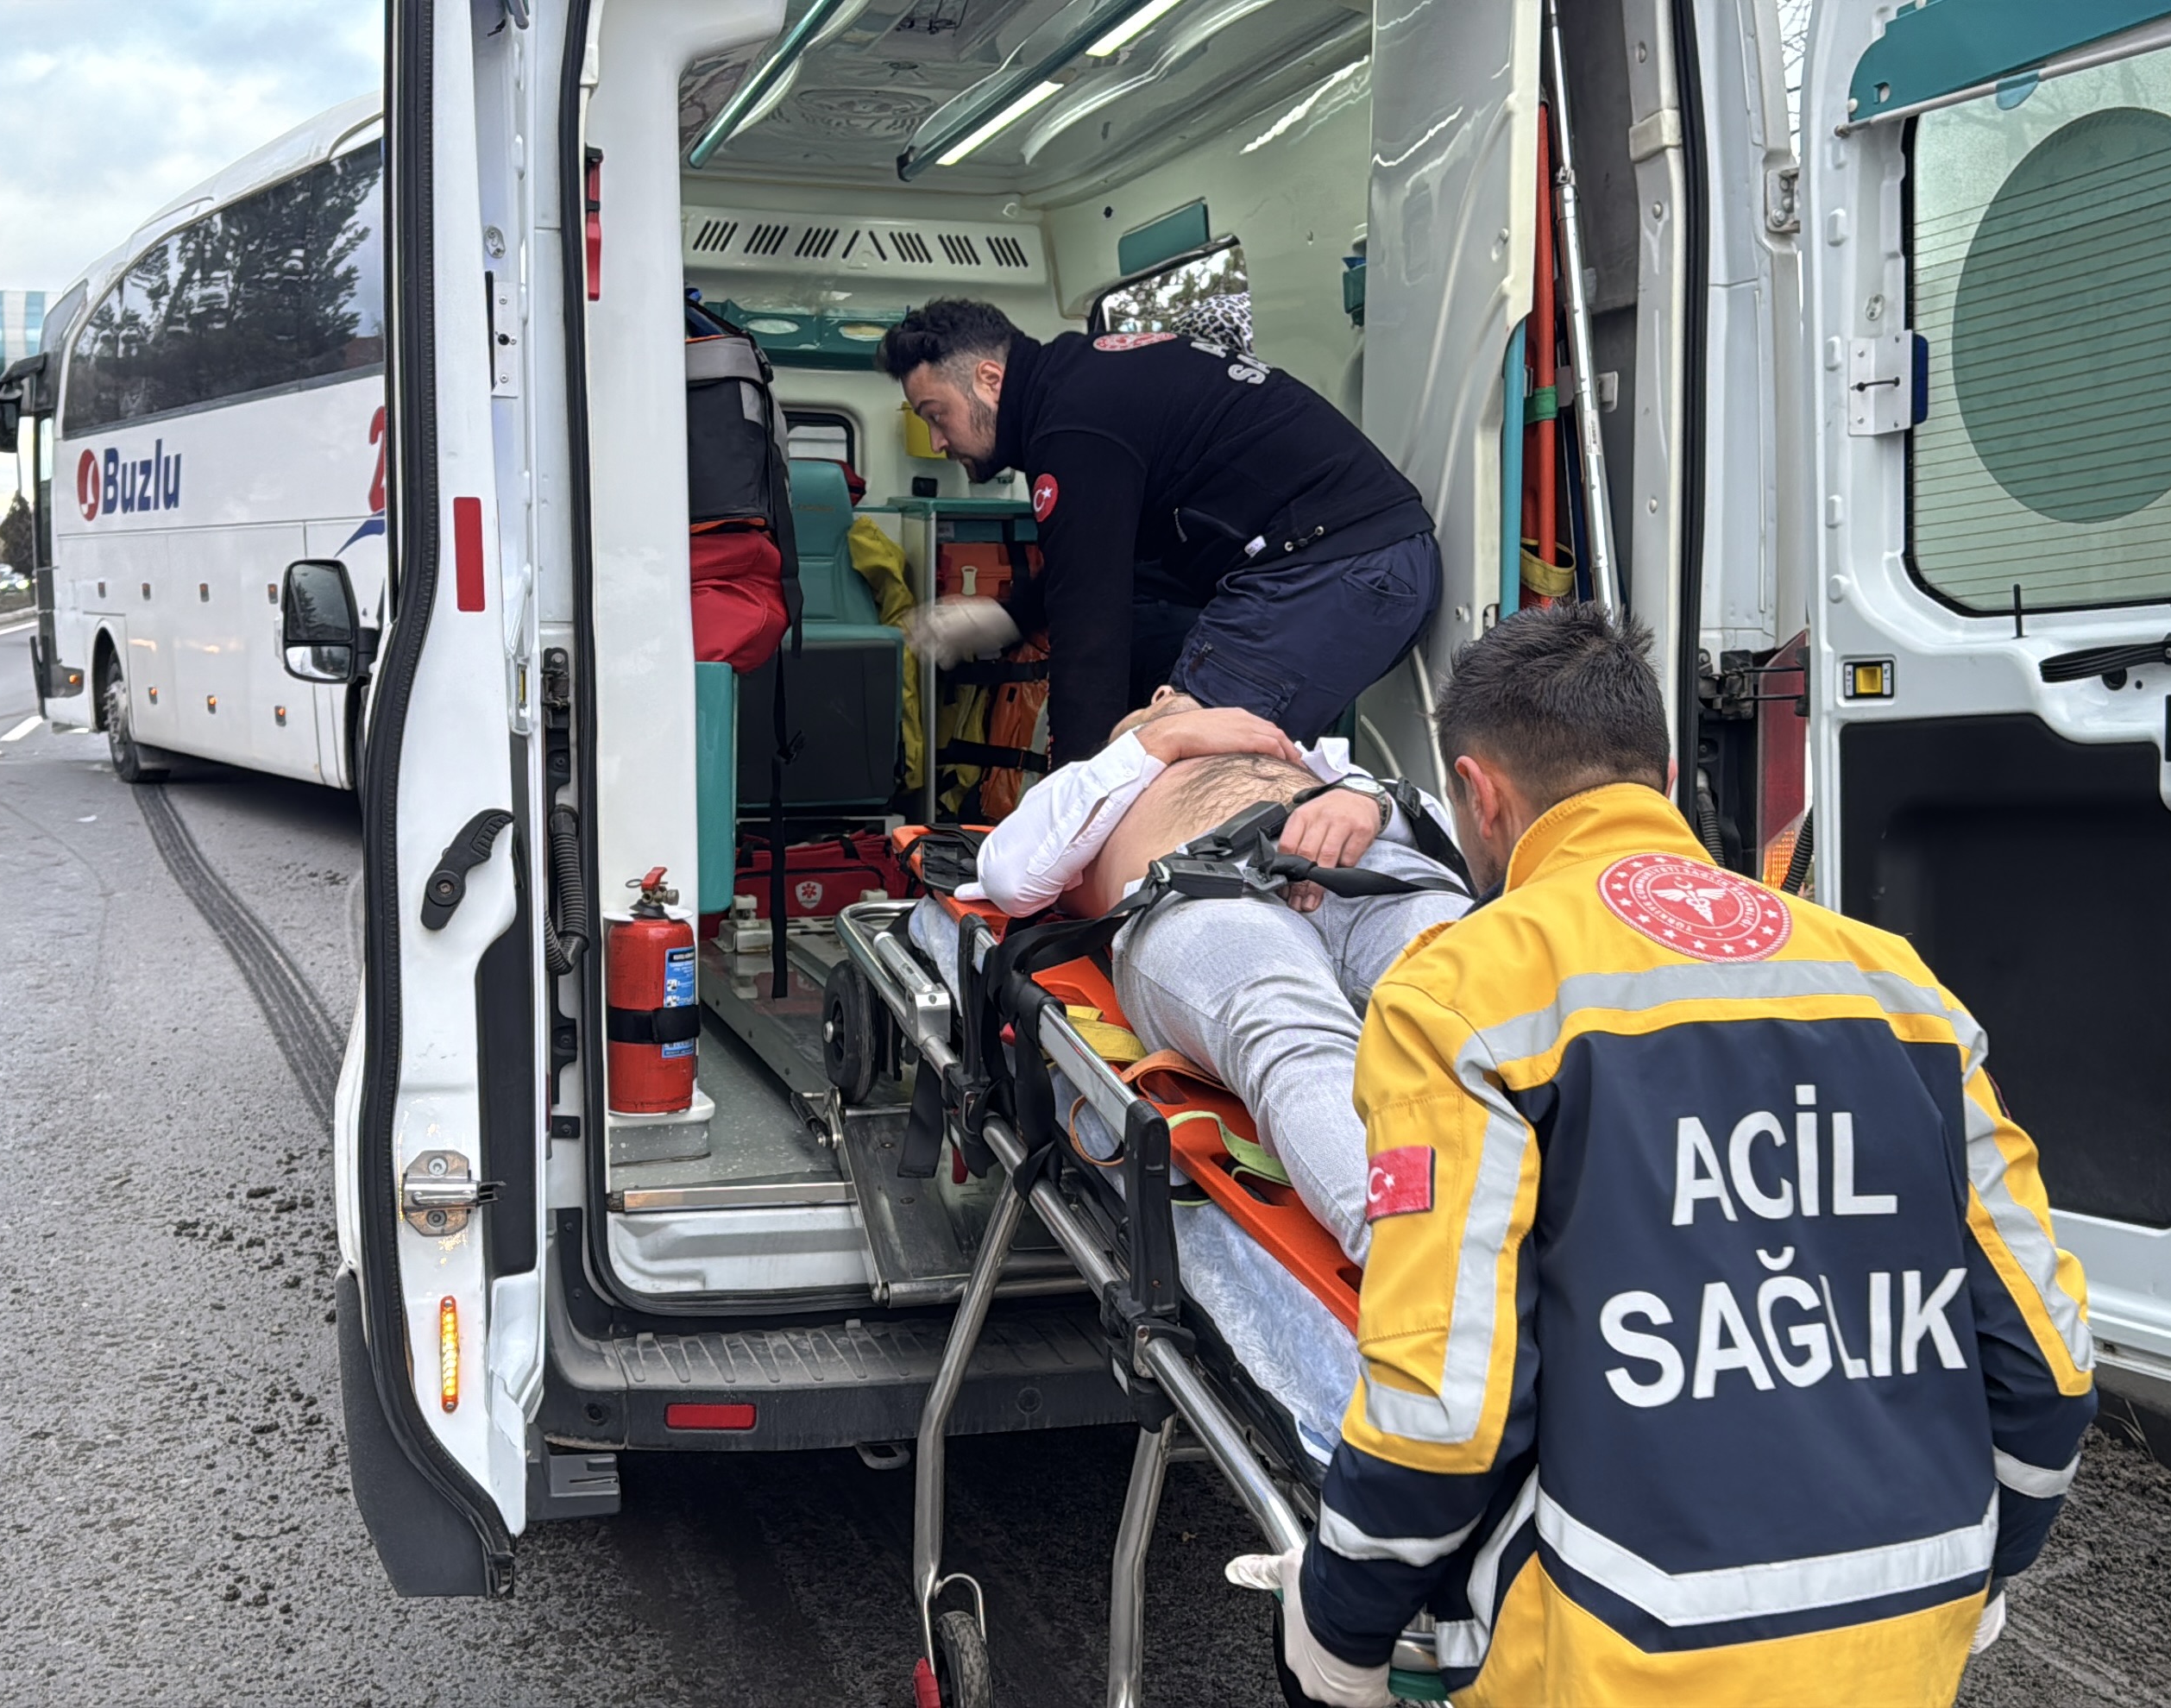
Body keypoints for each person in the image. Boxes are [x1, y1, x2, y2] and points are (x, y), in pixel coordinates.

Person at [1251, 605, 2098, 1707]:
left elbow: (1446, 1409)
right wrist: (1986, 1561)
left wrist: (1338, 1629)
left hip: (1624, 1644)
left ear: (1478, 793)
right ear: (1657, 775)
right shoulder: (1898, 985)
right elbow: (2046, 1363)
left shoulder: (1462, 994)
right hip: (1909, 1633)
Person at [972, 690, 1469, 1261]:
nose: (1166, 693)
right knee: (1297, 1038)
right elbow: (1011, 878)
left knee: (1482, 1003)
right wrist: (1160, 739)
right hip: (1198, 892)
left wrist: (1370, 803)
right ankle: (1430, 1266)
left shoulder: (1309, 758)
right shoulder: (1090, 780)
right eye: (1149, 703)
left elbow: (1458, 836)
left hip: (1372, 871)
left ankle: (1549, 1221)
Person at [878, 298, 1439, 764]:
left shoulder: (1071, 427)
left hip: (1331, 570)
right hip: (1375, 562)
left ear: (989, 380)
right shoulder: (1081, 385)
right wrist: (1011, 615)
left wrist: (1073, 793)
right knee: (1154, 670)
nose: (937, 441)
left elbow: (1089, 628)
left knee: (1182, 768)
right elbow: (1104, 566)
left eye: (935, 414)